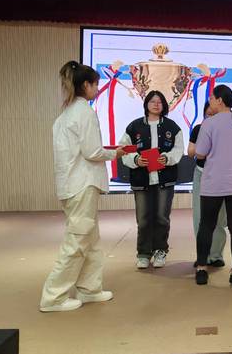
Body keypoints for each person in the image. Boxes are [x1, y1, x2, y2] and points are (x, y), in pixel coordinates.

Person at [40, 60, 126, 312]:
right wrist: (116, 153)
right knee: (77, 243)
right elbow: (92, 151)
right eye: (95, 84)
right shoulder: (84, 112)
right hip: (82, 184)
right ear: (85, 85)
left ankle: (90, 289)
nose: (97, 89)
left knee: (90, 241)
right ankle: (53, 298)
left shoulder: (65, 114)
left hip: (72, 184)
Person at [195, 85, 232, 288]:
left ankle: (201, 269)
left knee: (206, 225)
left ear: (220, 100)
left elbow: (200, 152)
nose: (209, 101)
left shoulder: (209, 123)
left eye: (211, 97)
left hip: (214, 182)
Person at [119, 90, 184, 269]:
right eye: (152, 101)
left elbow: (178, 150)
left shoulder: (172, 127)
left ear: (164, 105)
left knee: (162, 217)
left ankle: (160, 250)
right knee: (143, 218)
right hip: (141, 179)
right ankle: (143, 253)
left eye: (159, 102)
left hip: (165, 179)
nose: (156, 104)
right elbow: (124, 150)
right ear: (146, 104)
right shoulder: (134, 127)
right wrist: (136, 160)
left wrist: (167, 158)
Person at [188, 102, 227, 267]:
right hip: (201, 174)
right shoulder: (198, 129)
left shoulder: (227, 130)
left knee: (219, 217)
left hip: (221, 175)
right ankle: (202, 255)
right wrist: (203, 144)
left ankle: (216, 255)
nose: (210, 118)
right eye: (208, 115)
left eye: (214, 115)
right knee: (199, 216)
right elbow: (191, 152)